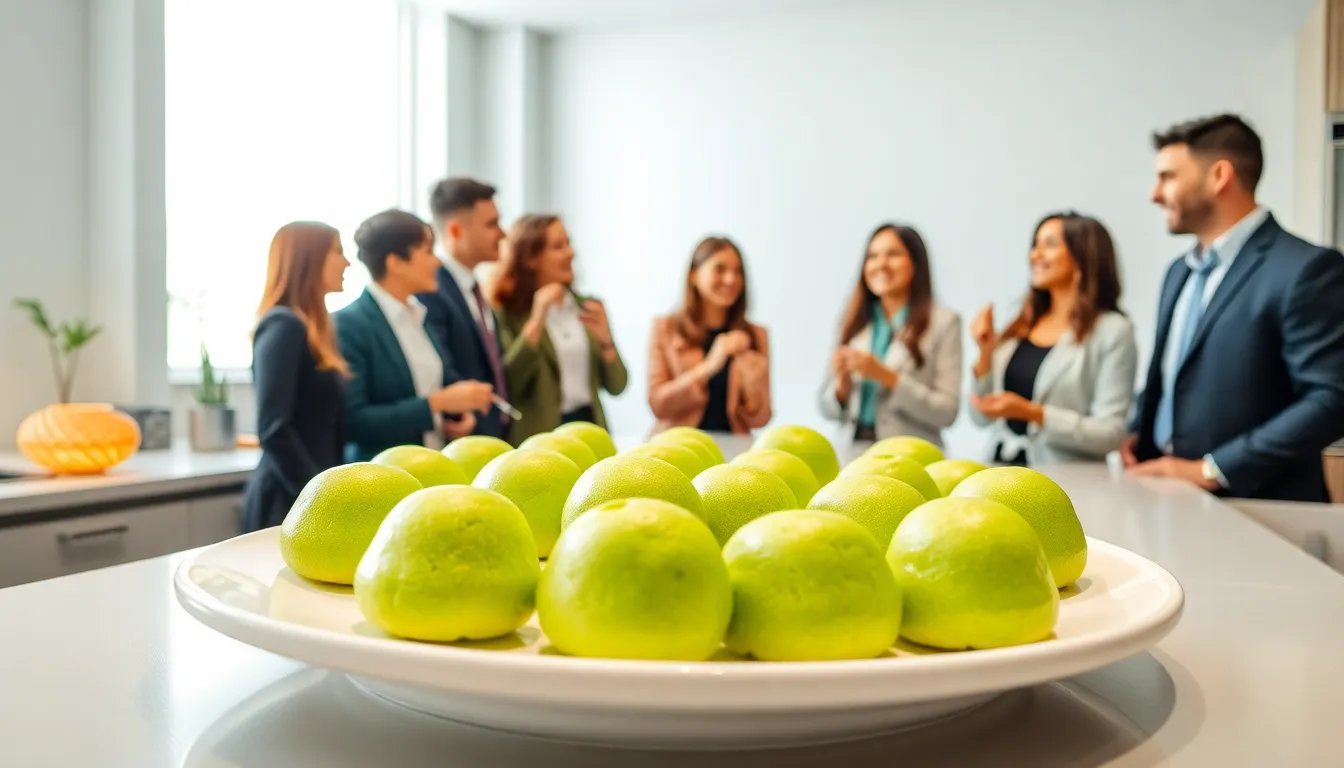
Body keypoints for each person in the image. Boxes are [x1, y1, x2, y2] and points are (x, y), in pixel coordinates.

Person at [1125, 114, 1344, 501]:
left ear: (1219, 176)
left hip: (1261, 509)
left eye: (1168, 177)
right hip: (1166, 496)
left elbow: (1331, 399)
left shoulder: (1305, 269)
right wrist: (1137, 432)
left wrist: (1211, 469)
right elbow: (1173, 373)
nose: (1154, 194)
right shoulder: (1178, 272)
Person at [969, 212, 1138, 466]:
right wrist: (984, 352)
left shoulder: (1113, 331)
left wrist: (1033, 414)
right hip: (1001, 473)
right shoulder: (1021, 324)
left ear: (1083, 256)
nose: (1034, 255)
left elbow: (1110, 434)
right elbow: (979, 417)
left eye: (1048, 245)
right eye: (1035, 246)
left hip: (1070, 481)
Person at [334, 209, 494, 461]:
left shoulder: (421, 315)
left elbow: (441, 383)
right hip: (383, 477)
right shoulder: (349, 324)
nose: (437, 262)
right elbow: (354, 421)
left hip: (434, 465)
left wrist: (460, 413)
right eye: (428, 252)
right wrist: (436, 404)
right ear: (395, 261)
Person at [242, 222, 350, 532]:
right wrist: (317, 498)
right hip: (287, 503)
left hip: (307, 500)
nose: (347, 263)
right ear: (309, 258)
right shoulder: (282, 326)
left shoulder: (317, 332)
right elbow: (274, 429)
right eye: (338, 252)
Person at [819, 223, 962, 446]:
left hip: (911, 455)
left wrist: (888, 377)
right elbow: (826, 408)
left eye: (893, 254)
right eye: (872, 256)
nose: (881, 264)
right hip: (853, 455)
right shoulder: (853, 323)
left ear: (915, 264)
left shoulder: (944, 323)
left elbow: (947, 412)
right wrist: (841, 386)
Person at [491, 214, 628, 445]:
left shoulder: (589, 307)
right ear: (530, 259)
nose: (571, 253)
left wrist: (606, 340)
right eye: (558, 246)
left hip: (590, 427)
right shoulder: (506, 313)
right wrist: (537, 317)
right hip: (539, 437)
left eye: (568, 243)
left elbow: (617, 385)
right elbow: (510, 383)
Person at [647, 236, 771, 435]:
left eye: (737, 271)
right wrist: (709, 366)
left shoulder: (755, 335)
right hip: (677, 447)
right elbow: (658, 404)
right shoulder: (665, 328)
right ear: (694, 275)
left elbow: (761, 418)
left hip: (734, 449)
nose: (731, 279)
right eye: (719, 269)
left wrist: (753, 384)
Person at [419, 177, 510, 440]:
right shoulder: (431, 290)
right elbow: (441, 371)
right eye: (492, 224)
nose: (503, 234)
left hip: (493, 437)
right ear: (456, 231)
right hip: (465, 440)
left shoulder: (476, 287)